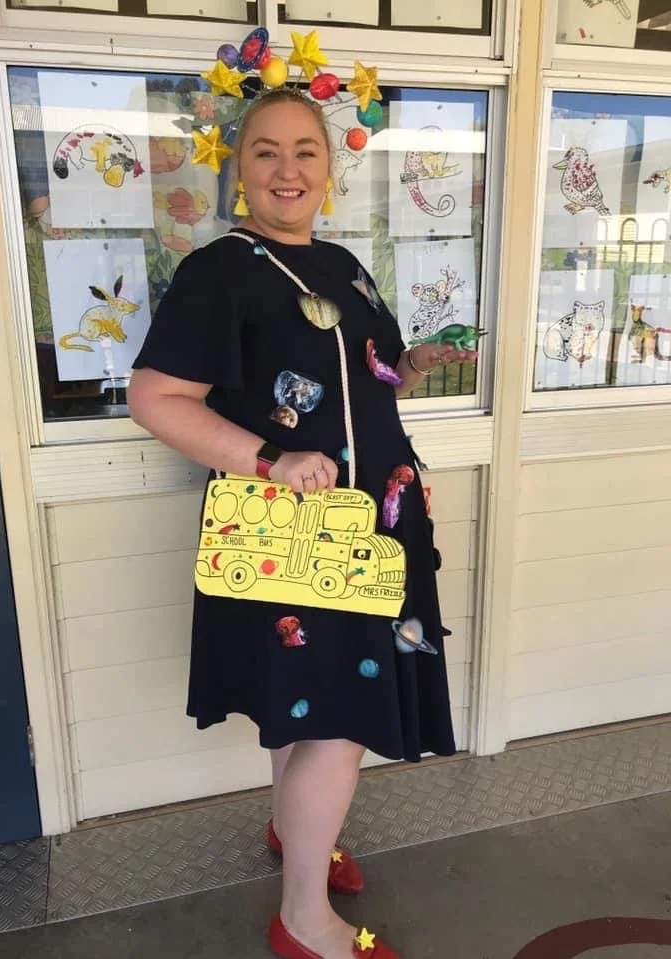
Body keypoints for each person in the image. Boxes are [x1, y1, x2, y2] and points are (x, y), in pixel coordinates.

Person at [128, 88, 476, 959]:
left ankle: (297, 835)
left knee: (307, 705)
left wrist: (410, 363)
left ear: (330, 168)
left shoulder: (344, 265)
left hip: (373, 520)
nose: (288, 170)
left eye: (306, 152)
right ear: (237, 170)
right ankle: (304, 919)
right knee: (336, 716)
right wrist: (269, 460)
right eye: (266, 152)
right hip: (295, 532)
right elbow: (156, 397)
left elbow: (367, 378)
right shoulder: (218, 272)